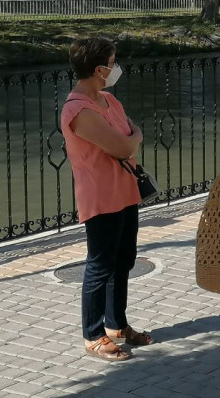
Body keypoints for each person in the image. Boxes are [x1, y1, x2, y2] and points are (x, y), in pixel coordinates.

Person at [61, 37, 153, 363]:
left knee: (124, 259)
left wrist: (132, 138)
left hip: (125, 190)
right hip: (100, 196)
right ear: (100, 69)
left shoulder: (109, 101)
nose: (116, 68)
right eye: (113, 62)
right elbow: (125, 145)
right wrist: (134, 138)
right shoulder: (77, 110)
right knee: (100, 266)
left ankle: (117, 325)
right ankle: (92, 334)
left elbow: (129, 134)